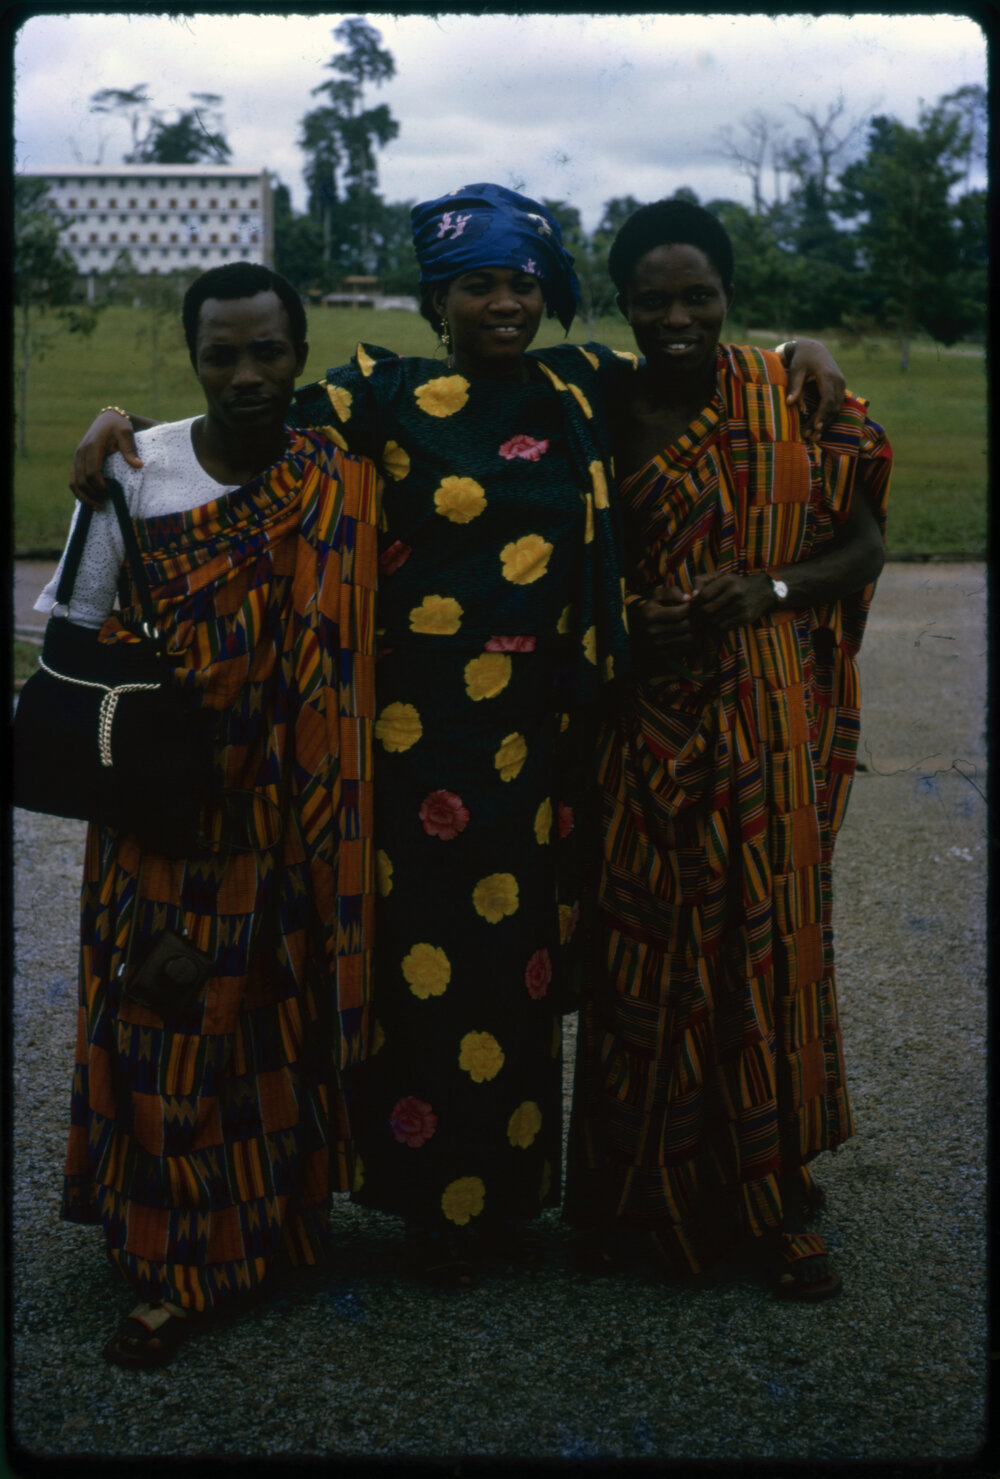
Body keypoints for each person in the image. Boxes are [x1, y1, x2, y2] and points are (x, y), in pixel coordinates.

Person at [67, 185, 848, 1289]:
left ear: (547, 293)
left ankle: (505, 1203)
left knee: (521, 978)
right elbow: (248, 412)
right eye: (478, 283)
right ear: (440, 298)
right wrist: (119, 426)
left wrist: (804, 343)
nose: (504, 302)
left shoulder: (583, 384)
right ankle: (431, 1209)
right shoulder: (381, 393)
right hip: (408, 745)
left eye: (522, 282)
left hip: (544, 748)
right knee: (418, 980)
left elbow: (699, 364)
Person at [36, 262, 379, 1365]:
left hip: (292, 814)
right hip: (167, 811)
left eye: (267, 351)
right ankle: (173, 1259)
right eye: (220, 354)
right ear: (192, 359)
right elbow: (71, 640)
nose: (244, 374)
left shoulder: (336, 469)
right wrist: (184, 679)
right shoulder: (138, 470)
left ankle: (269, 1230)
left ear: (300, 355)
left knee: (276, 1021)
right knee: (167, 1021)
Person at [563, 199, 891, 1300]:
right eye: (651, 298)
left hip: (764, 719)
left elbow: (861, 543)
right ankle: (628, 1194)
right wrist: (623, 613)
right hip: (640, 726)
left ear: (727, 296)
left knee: (762, 949)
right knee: (639, 956)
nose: (675, 316)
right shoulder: (589, 401)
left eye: (695, 294)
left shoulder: (786, 394)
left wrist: (768, 590)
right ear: (620, 305)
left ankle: (771, 1192)